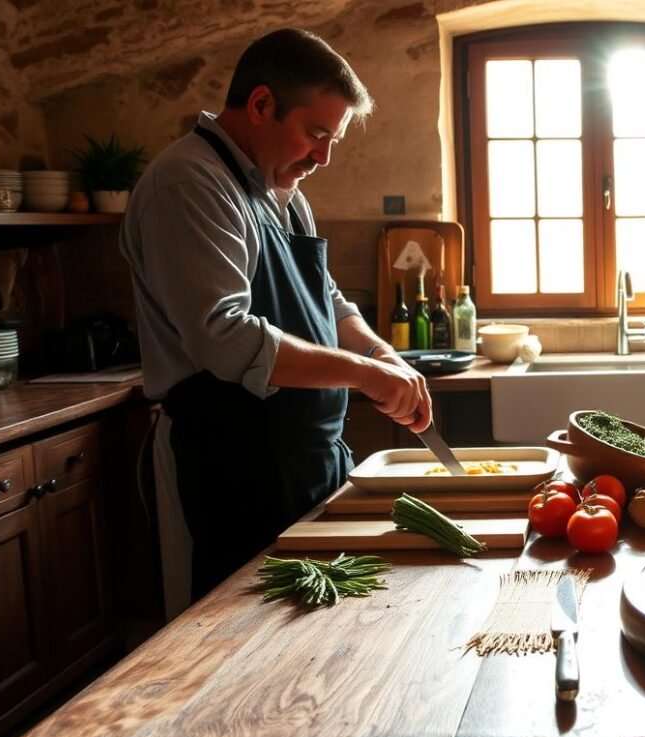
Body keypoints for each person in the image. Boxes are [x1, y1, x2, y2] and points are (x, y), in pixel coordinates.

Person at [121, 28, 431, 612]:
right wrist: (363, 377)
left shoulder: (283, 191)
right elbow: (226, 337)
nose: (324, 157)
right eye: (316, 134)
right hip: (224, 471)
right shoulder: (189, 182)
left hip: (305, 463)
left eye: (332, 139)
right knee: (223, 649)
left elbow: (330, 302)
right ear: (261, 105)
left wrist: (379, 354)